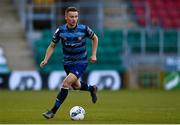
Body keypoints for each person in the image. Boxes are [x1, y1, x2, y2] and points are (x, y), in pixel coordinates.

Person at [40, 6, 98, 119]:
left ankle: (52, 112)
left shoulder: (84, 29)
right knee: (76, 86)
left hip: (81, 61)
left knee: (66, 83)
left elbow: (95, 38)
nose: (74, 19)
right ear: (66, 17)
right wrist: (46, 59)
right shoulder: (61, 30)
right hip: (67, 63)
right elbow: (52, 45)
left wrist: (94, 54)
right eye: (71, 17)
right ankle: (92, 89)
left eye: (76, 17)